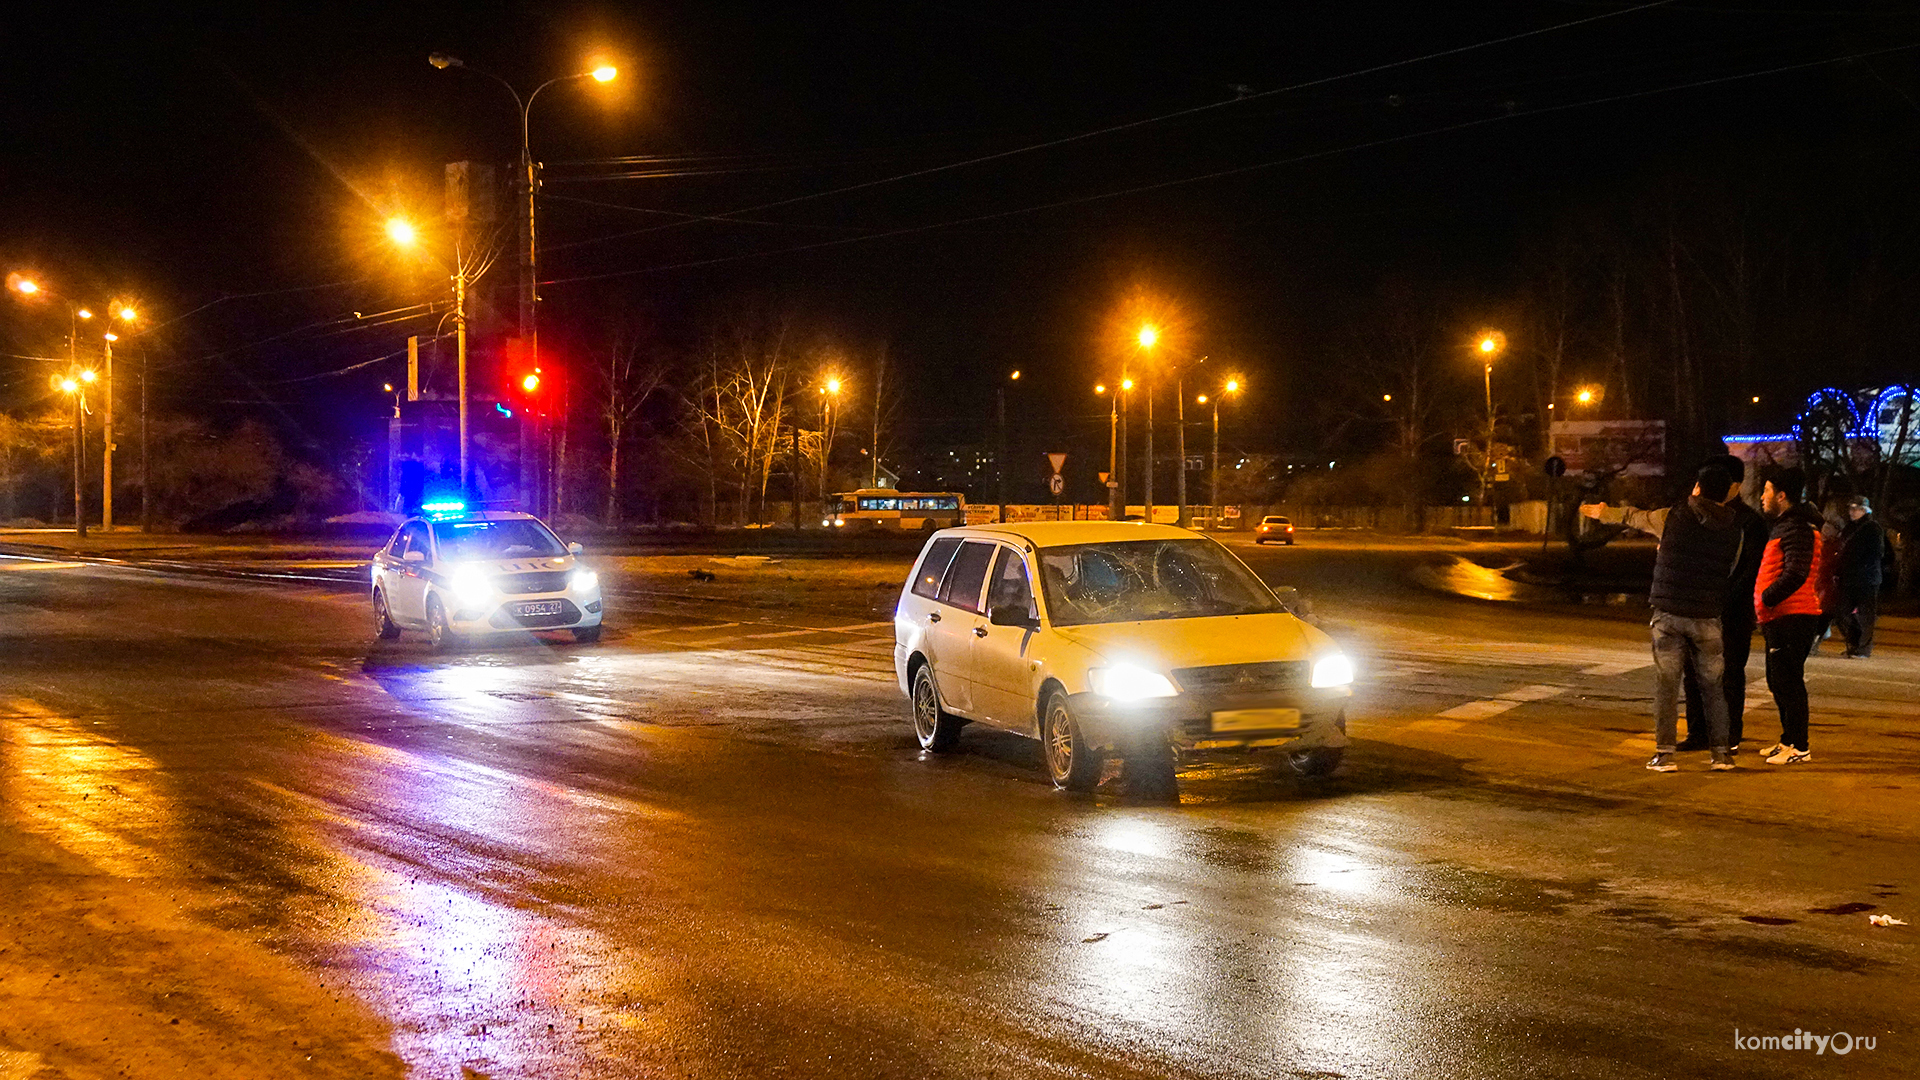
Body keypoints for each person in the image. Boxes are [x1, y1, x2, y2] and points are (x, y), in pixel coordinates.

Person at [1580, 463, 1744, 772]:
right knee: (1713, 686)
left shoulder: (1672, 516)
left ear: (1697, 487)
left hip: (1669, 614)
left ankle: (1665, 754)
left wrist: (1603, 512)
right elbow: (1730, 569)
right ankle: (1721, 754)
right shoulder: (1734, 527)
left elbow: (1634, 517)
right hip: (1708, 615)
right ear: (1728, 493)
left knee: (1667, 686)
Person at [1678, 454, 1769, 753]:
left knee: (1728, 673)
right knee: (1693, 671)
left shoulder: (1750, 522)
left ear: (1734, 486)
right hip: (1697, 607)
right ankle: (1698, 731)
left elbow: (1749, 570)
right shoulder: (1695, 516)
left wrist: (1719, 599)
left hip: (1731, 613)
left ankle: (1728, 734)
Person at [1753, 468, 1825, 765]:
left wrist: (1767, 597)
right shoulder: (1788, 526)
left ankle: (1800, 747)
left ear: (1781, 496)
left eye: (1767, 491)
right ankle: (1788, 740)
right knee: (1777, 680)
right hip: (1780, 616)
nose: (1762, 497)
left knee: (1789, 682)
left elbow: (1796, 571)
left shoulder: (1797, 528)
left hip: (1793, 616)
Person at [1830, 496, 1886, 658]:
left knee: (1865, 615)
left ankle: (1862, 648)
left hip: (1867, 579)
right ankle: (1854, 643)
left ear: (1865, 510)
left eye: (1857, 509)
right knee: (1842, 613)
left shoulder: (1873, 528)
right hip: (1848, 578)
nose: (1853, 512)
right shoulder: (1849, 528)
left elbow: (1876, 553)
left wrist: (1861, 567)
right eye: (1851, 509)